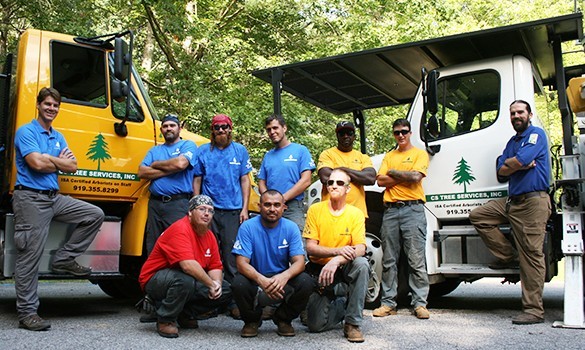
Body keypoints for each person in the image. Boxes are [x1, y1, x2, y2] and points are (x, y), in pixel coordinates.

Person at [12, 87, 105, 331]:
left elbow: (72, 166)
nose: (52, 108)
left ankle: (64, 259)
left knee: (94, 214)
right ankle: (27, 313)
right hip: (31, 198)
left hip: (55, 198)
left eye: (55, 105)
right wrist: (57, 161)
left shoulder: (58, 136)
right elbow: (35, 163)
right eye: (48, 104)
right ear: (39, 105)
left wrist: (50, 159)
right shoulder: (26, 132)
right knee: (29, 256)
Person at [469, 100, 551, 325]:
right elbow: (501, 171)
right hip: (512, 201)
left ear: (529, 114)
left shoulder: (536, 135)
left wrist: (515, 163)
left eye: (520, 112)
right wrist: (517, 165)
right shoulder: (512, 142)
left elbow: (519, 160)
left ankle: (534, 311)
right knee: (479, 216)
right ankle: (509, 256)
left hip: (532, 202)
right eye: (513, 113)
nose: (516, 116)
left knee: (532, 256)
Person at [138, 195, 232, 338]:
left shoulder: (209, 235)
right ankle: (165, 319)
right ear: (190, 212)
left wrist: (217, 284)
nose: (207, 213)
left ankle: (184, 314)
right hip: (155, 279)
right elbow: (188, 265)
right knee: (184, 280)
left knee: (225, 289)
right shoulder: (180, 229)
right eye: (201, 209)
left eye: (210, 211)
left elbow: (215, 266)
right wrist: (210, 284)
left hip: (186, 279)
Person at [231, 190, 313, 338]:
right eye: (267, 204)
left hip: (280, 277)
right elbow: (241, 263)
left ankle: (283, 319)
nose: (272, 209)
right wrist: (261, 280)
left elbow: (299, 262)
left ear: (284, 208)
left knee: (306, 282)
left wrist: (284, 276)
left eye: (277, 205)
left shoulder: (291, 227)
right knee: (238, 283)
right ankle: (252, 321)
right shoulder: (247, 227)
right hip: (255, 277)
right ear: (259, 206)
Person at [193, 114, 252, 318]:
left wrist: (244, 209)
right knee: (207, 255)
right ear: (212, 130)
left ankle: (234, 302)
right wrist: (196, 206)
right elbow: (197, 180)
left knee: (231, 257)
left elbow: (245, 180)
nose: (220, 130)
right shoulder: (203, 152)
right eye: (217, 127)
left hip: (232, 211)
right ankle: (208, 302)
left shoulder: (240, 151)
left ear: (230, 129)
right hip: (209, 212)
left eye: (224, 127)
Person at [303, 168, 369, 343]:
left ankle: (352, 323)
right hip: (319, 271)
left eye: (340, 183)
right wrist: (338, 251)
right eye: (330, 182)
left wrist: (337, 260)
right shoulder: (315, 210)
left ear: (348, 189)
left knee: (361, 264)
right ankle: (341, 304)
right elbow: (310, 247)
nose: (334, 185)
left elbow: (361, 248)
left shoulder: (355, 214)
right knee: (314, 326)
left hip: (343, 268)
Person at [373, 118, 430, 320]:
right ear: (393, 134)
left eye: (404, 131)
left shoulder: (419, 154)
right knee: (389, 260)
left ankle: (420, 303)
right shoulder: (389, 156)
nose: (401, 135)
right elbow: (380, 181)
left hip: (413, 210)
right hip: (390, 211)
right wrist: (405, 175)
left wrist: (394, 174)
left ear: (410, 133)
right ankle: (388, 303)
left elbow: (416, 177)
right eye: (397, 132)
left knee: (416, 259)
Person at [138, 113, 197, 254]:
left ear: (179, 129)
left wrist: (156, 164)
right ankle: (153, 275)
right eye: (165, 126)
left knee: (178, 243)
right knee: (153, 244)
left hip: (178, 203)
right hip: (155, 204)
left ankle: (177, 275)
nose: (168, 128)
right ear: (161, 130)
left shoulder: (188, 145)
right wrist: (171, 170)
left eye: (172, 125)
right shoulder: (155, 150)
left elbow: (181, 163)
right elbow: (141, 172)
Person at [258, 114, 315, 232]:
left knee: (297, 244)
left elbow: (306, 180)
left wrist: (282, 199)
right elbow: (261, 182)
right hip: (271, 209)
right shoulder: (268, 156)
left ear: (284, 128)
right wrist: (269, 201)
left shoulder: (300, 150)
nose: (272, 132)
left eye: (275, 128)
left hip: (293, 206)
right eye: (269, 130)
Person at [317, 121, 376, 218]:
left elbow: (370, 178)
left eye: (349, 133)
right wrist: (358, 175)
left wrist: (342, 170)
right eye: (341, 133)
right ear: (337, 136)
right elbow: (325, 177)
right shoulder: (327, 154)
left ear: (354, 137)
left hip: (357, 213)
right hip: (331, 213)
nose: (345, 136)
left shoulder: (362, 157)